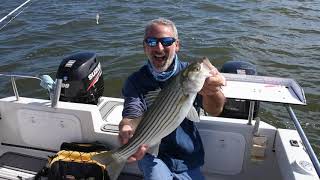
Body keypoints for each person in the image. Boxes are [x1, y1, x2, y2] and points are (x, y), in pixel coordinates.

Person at [118, 18, 226, 180]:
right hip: (153, 154)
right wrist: (126, 128)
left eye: (167, 41)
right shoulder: (136, 81)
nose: (159, 47)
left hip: (188, 156)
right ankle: (115, 160)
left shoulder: (188, 74)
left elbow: (215, 110)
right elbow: (132, 114)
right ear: (144, 46)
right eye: (152, 41)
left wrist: (213, 91)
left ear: (177, 45)